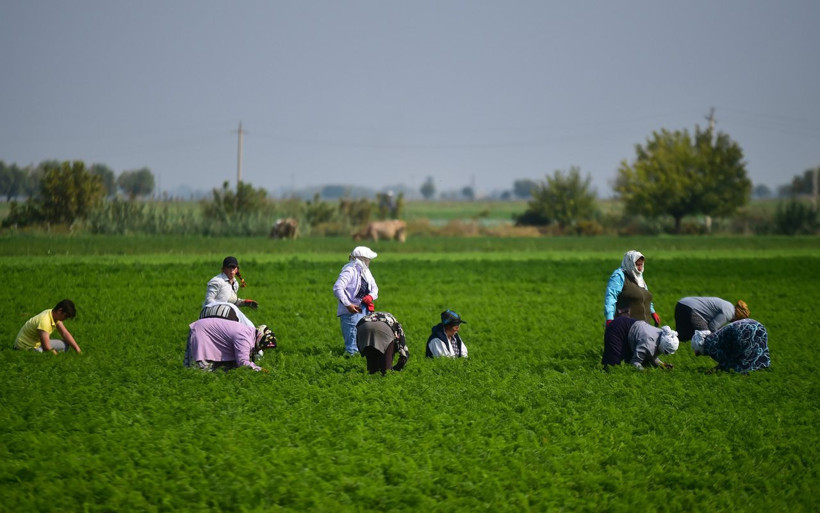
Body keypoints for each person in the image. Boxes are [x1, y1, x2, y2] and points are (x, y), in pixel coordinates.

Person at [183, 317, 276, 372]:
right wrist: (260, 370)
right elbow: (242, 362)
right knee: (199, 370)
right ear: (260, 339)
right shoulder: (245, 338)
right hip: (202, 332)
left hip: (202, 328)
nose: (262, 350)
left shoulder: (250, 334)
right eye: (263, 347)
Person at [333, 246, 379, 356]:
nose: (369, 262)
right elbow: (337, 288)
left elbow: (375, 288)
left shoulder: (366, 271)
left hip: (364, 309)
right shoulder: (349, 270)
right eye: (368, 259)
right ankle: (351, 364)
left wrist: (370, 297)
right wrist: (348, 304)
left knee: (363, 340)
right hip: (351, 312)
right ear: (362, 259)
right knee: (352, 344)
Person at [691, 318, 770, 373]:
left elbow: (727, 362)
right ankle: (763, 368)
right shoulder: (713, 337)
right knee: (757, 350)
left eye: (698, 352)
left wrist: (713, 371)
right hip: (758, 326)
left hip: (742, 331)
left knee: (739, 360)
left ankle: (746, 374)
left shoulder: (710, 347)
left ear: (700, 347)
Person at [604, 250, 660, 326]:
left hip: (644, 326)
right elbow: (611, 297)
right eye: (637, 265)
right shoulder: (619, 276)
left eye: (641, 265)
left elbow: (645, 296)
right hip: (627, 326)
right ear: (630, 264)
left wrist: (653, 312)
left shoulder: (639, 277)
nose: (640, 268)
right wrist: (609, 318)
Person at [601, 316, 679, 370]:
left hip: (631, 327)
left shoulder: (662, 335)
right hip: (618, 328)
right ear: (663, 344)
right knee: (613, 363)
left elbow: (652, 357)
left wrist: (663, 365)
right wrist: (645, 372)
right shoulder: (648, 343)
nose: (666, 354)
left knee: (634, 359)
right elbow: (635, 363)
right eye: (666, 352)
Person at [14, 299, 82, 354]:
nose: (66, 319)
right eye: (66, 316)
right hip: (25, 347)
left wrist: (77, 349)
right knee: (41, 352)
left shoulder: (53, 315)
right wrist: (56, 357)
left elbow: (65, 333)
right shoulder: (45, 321)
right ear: (59, 311)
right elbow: (46, 347)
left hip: (37, 343)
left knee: (65, 344)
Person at [674, 297, 750, 341]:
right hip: (692, 310)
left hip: (681, 304)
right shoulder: (729, 313)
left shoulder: (729, 306)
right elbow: (713, 327)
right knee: (706, 334)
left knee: (682, 336)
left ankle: (664, 336)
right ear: (738, 318)